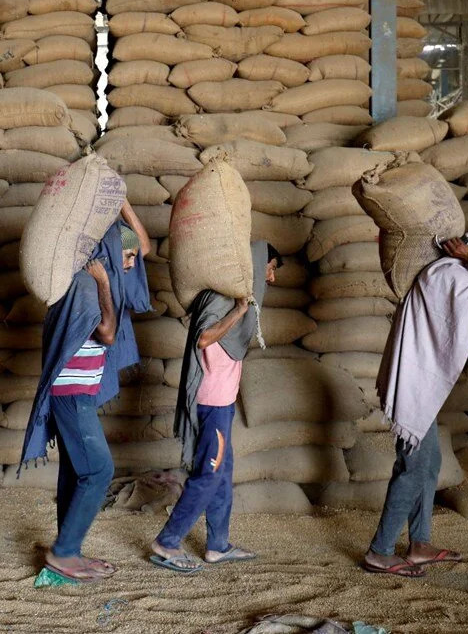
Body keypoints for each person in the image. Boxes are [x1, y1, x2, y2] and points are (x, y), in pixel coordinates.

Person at [363, 229, 468, 578]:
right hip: (414, 387)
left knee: (428, 464)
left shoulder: (455, 278)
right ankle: (379, 552)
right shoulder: (447, 275)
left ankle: (419, 544)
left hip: (421, 387)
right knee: (412, 468)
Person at [19, 202, 151, 582]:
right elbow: (107, 333)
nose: (131, 264)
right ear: (107, 254)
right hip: (71, 395)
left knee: (76, 470)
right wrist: (106, 283)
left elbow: (143, 248)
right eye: (123, 257)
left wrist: (123, 206)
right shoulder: (85, 285)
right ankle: (63, 553)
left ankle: (68, 547)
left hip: (77, 393)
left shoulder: (93, 276)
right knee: (99, 470)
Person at [150, 242, 282, 573]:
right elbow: (204, 339)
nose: (272, 277)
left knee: (222, 475)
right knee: (208, 475)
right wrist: (238, 310)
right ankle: (167, 541)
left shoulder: (234, 299)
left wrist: (242, 308)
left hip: (222, 403)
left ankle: (217, 546)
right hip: (211, 403)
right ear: (257, 263)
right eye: (271, 267)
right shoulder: (224, 301)